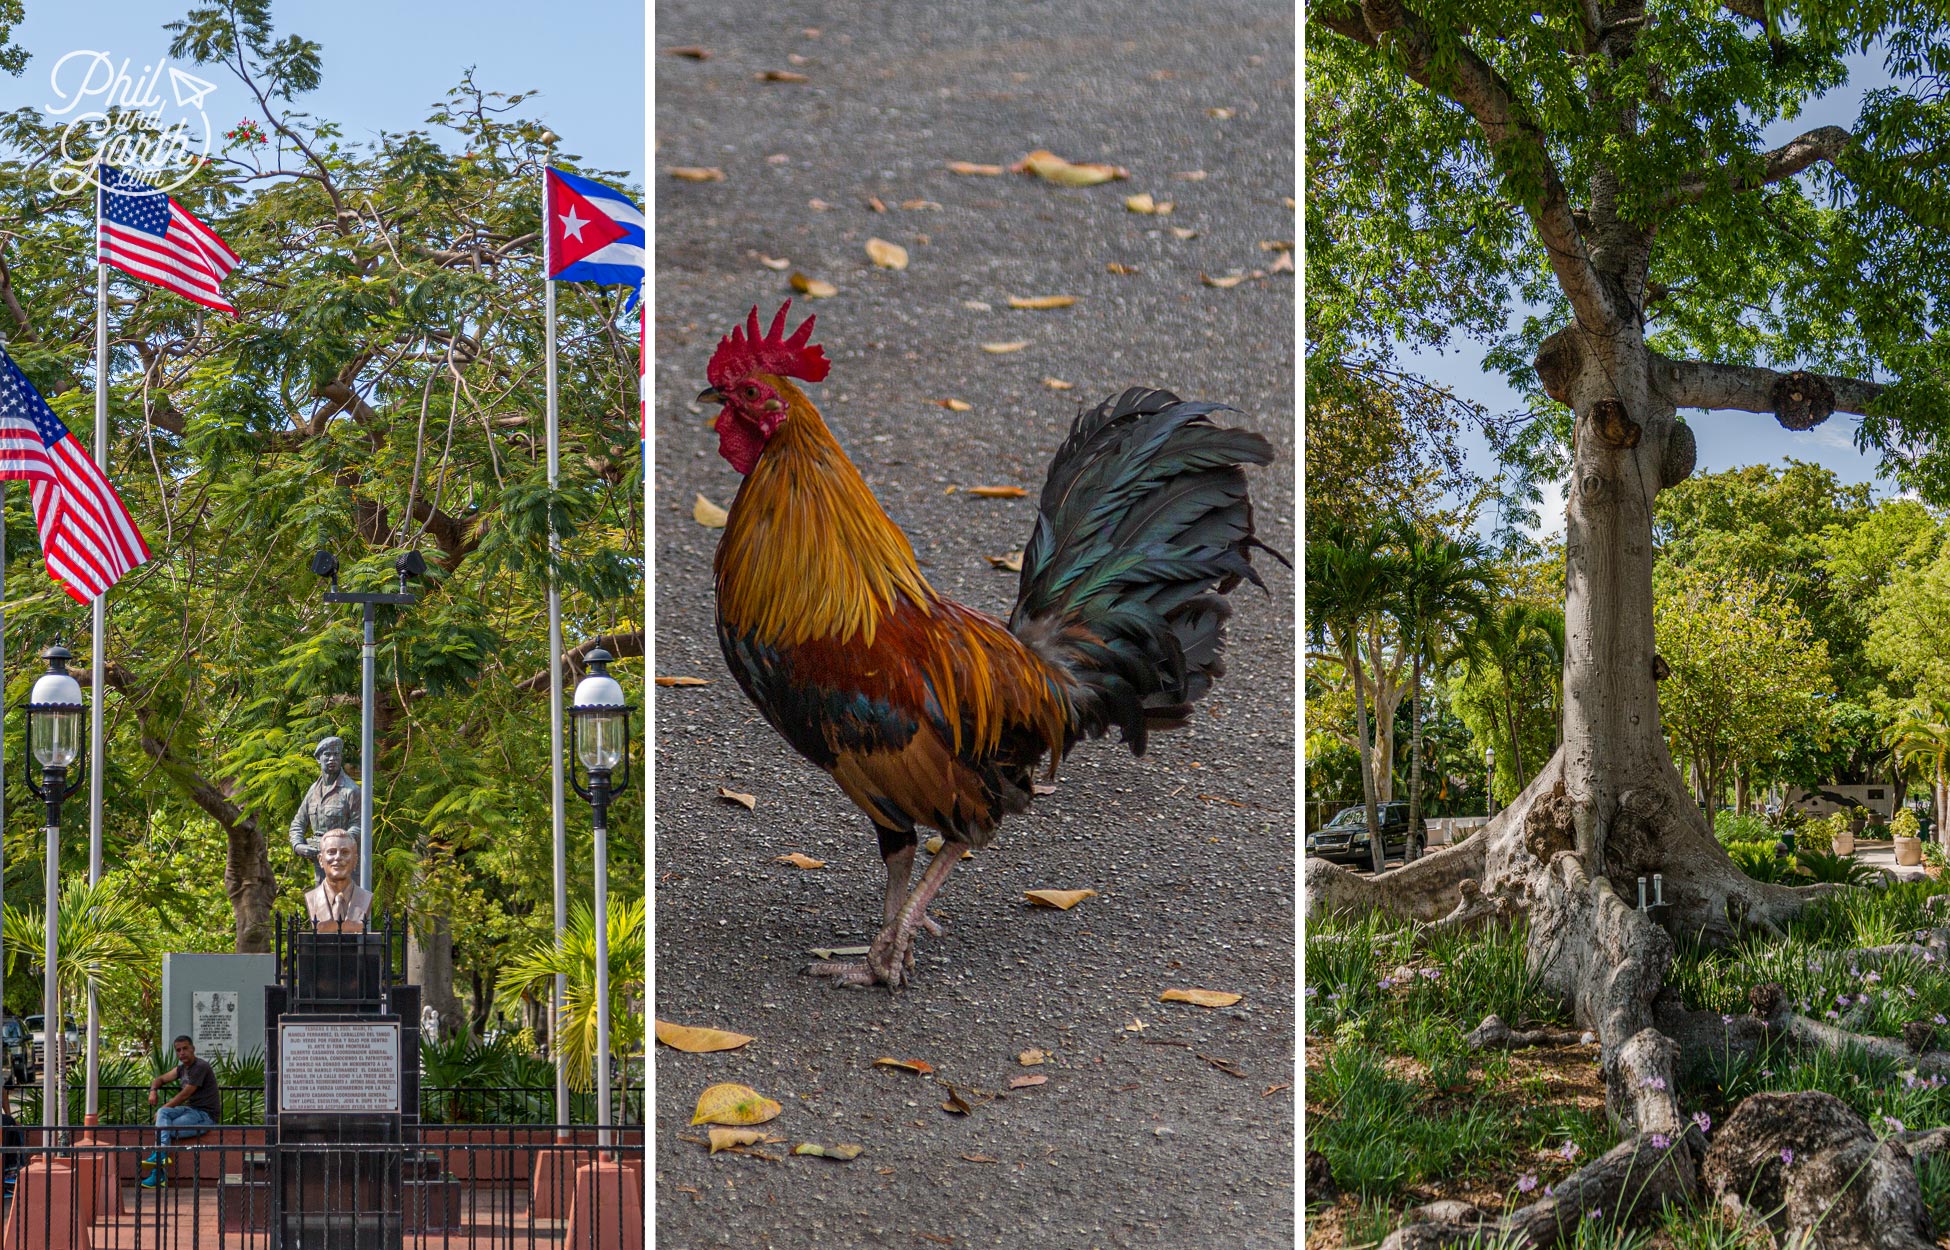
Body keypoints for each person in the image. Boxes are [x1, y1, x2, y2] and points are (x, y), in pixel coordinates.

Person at [141, 1035, 220, 1188]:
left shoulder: (200, 1067)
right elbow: (160, 1079)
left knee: (164, 1126)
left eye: (185, 1048)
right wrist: (153, 1091)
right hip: (191, 1112)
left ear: (193, 1049)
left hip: (205, 1116)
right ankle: (161, 1156)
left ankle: (158, 1173)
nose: (182, 1053)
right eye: (178, 1050)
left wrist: (163, 1108)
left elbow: (185, 1094)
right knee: (163, 1120)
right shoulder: (181, 1069)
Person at [288, 736, 361, 883]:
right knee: (321, 904)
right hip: (320, 863)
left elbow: (359, 826)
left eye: (336, 754)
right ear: (318, 759)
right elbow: (298, 823)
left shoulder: (351, 790)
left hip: (343, 866)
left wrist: (335, 845)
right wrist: (298, 846)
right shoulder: (313, 791)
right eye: (327, 755)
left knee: (344, 904)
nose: (332, 759)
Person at [303, 828, 373, 933]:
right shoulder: (312, 898)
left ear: (355, 860)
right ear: (321, 860)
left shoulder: (365, 898)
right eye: (331, 852)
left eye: (345, 852)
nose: (338, 857)